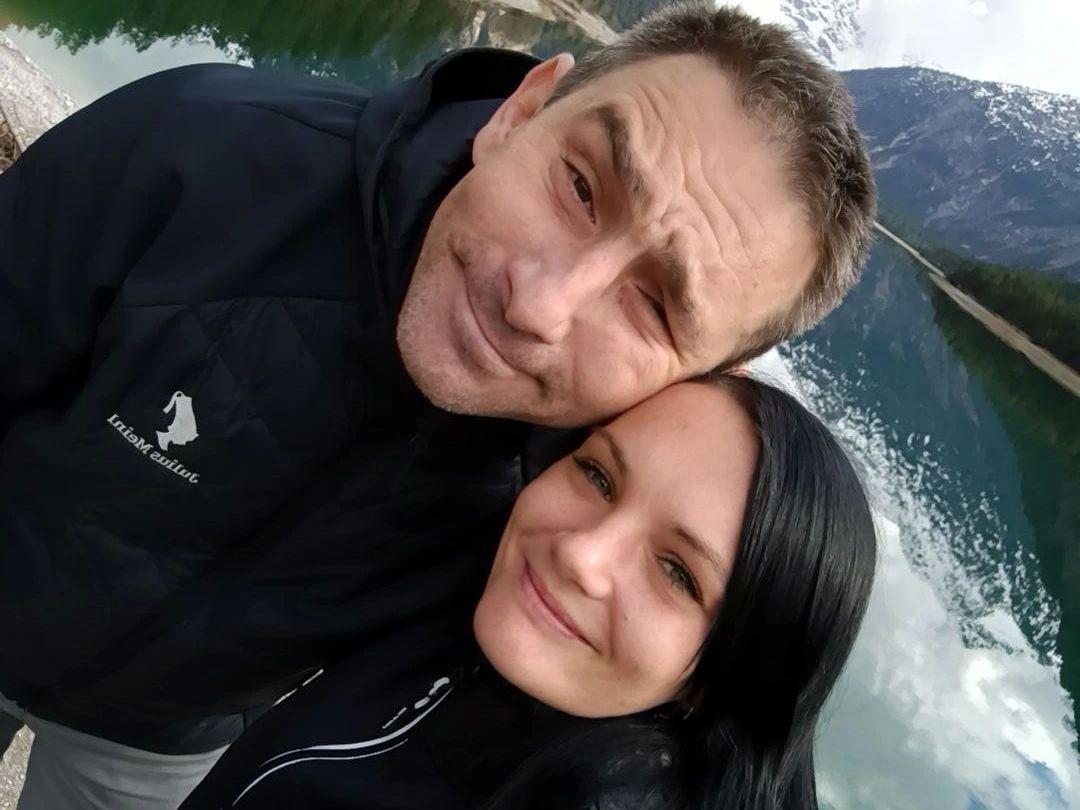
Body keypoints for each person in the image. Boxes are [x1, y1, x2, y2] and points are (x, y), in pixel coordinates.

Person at [0, 2, 875, 807]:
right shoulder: (205, 152)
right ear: (521, 111)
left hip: (160, 748)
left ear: (707, 374)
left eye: (654, 307)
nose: (539, 305)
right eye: (579, 187)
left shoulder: (578, 500)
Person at [179, 374, 877, 809]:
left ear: (717, 683)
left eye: (676, 573)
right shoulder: (465, 593)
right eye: (598, 476)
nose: (581, 554)